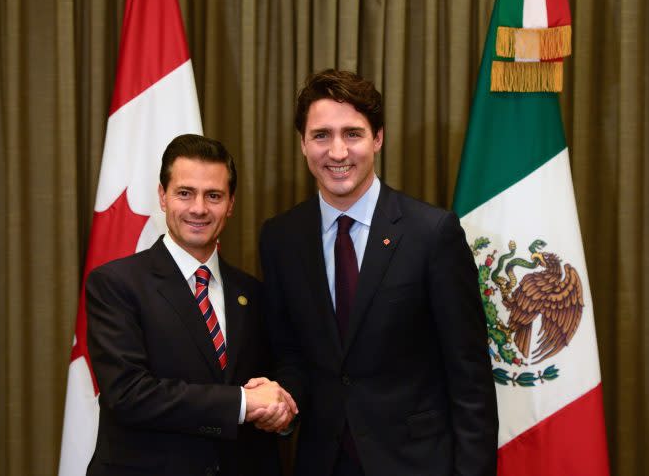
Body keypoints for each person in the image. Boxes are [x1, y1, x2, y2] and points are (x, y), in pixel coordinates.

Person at [256, 70, 498, 475]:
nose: (337, 152)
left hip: (417, 463)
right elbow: (290, 356)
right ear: (302, 143)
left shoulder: (432, 234)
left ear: (378, 138)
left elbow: (469, 377)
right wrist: (281, 401)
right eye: (321, 135)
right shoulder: (280, 238)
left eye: (352, 133)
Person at [86, 134, 297, 476]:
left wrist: (282, 411)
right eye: (185, 193)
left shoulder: (253, 293)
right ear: (163, 197)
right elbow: (128, 394)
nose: (199, 208)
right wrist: (243, 403)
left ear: (230, 204)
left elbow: (278, 376)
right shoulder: (115, 284)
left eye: (213, 195)